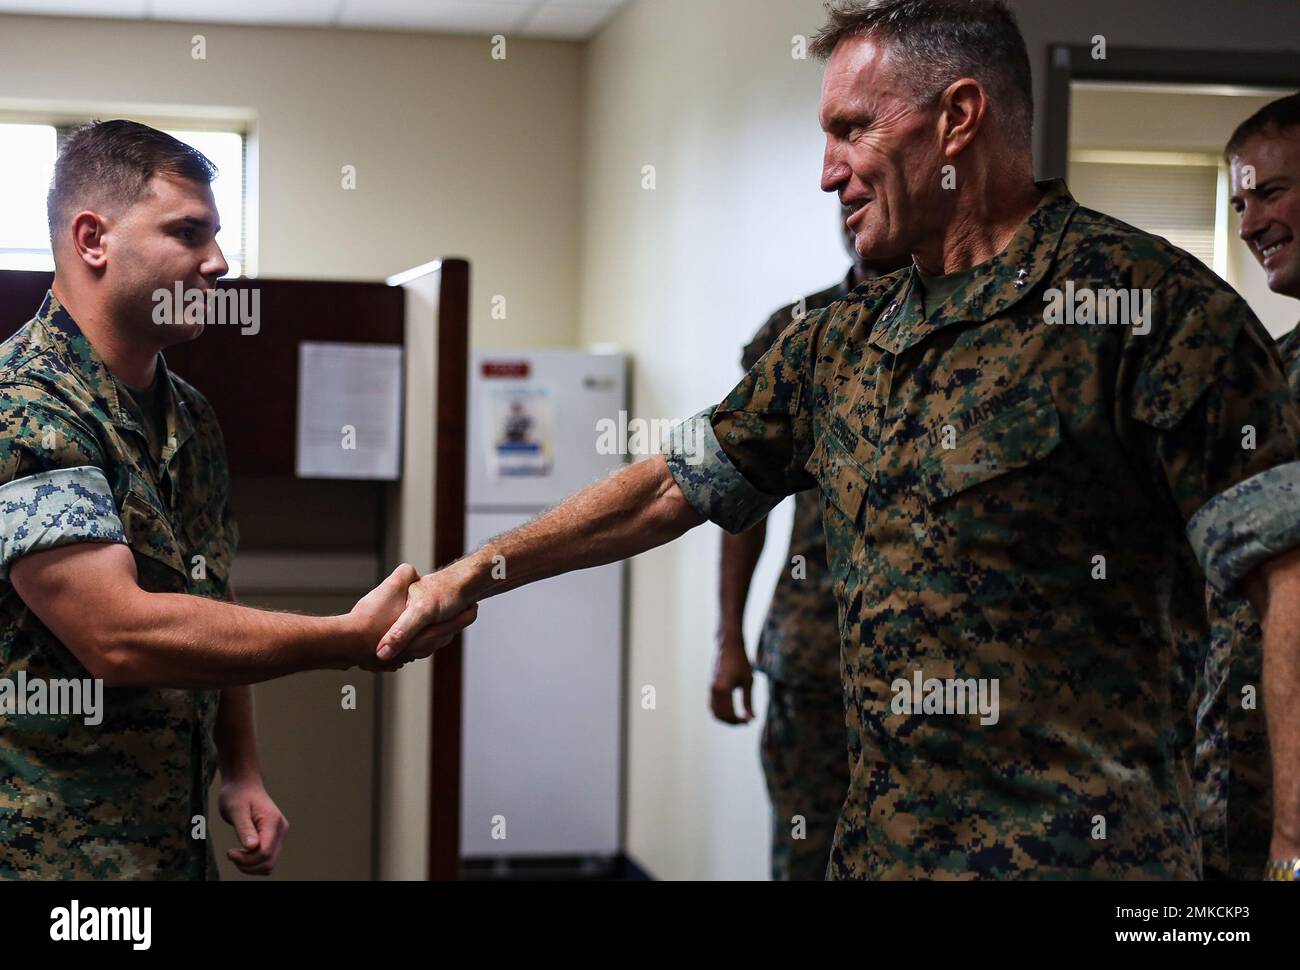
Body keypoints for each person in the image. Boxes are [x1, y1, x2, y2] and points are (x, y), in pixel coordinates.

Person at [379, 0, 1300, 880]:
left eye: (852, 130)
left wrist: (1292, 846)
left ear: (958, 118)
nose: (827, 173)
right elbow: (673, 487)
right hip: (882, 852)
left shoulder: (1150, 311)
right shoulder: (835, 343)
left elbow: (1285, 577)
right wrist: (479, 569)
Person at [0, 120, 474, 880]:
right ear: (93, 239)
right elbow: (117, 635)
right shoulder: (27, 406)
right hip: (50, 858)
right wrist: (346, 638)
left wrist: (240, 769)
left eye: (216, 235)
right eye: (188, 233)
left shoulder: (190, 416)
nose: (217, 263)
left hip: (169, 843)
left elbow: (209, 596)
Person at [711, 224, 905, 880]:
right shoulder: (797, 331)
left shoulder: (970, 325)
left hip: (934, 668)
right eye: (843, 204)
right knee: (807, 853)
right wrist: (729, 641)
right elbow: (741, 500)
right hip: (816, 652)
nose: (851, 206)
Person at [1198, 90, 1300, 880]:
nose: (1250, 223)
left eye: (1271, 191)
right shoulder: (1273, 365)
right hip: (1233, 782)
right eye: (1239, 200)